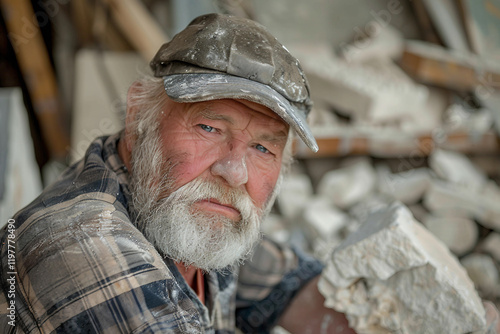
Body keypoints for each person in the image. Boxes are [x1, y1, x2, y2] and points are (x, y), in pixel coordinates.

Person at [0, 13, 497, 334]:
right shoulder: (79, 240)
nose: (235, 171)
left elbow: (294, 286)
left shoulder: (187, 217)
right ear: (138, 117)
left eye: (263, 147)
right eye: (211, 126)